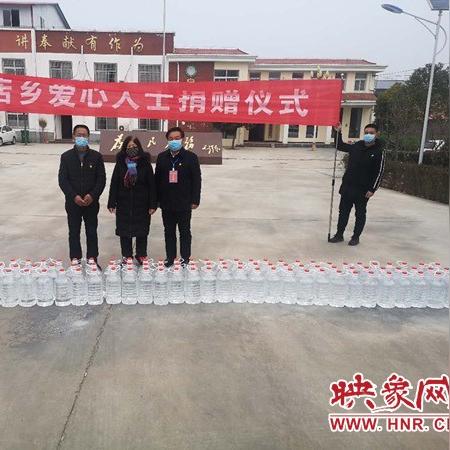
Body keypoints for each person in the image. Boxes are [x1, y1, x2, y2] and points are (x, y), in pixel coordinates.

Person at [329, 123, 385, 246]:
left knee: (360, 214)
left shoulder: (379, 151)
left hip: (363, 190)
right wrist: (338, 132)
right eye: (366, 133)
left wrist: (372, 189)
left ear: (377, 134)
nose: (368, 135)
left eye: (371, 133)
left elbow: (379, 172)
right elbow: (340, 145)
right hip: (348, 186)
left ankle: (355, 237)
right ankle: (339, 235)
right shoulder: (357, 146)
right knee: (343, 212)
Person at [58, 124, 106, 264]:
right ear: (73, 136)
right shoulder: (66, 157)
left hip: (91, 203)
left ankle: (92, 258)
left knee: (91, 231)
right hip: (73, 202)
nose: (81, 137)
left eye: (84, 135)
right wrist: (74, 196)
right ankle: (75, 259)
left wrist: (92, 195)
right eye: (78, 135)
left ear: (88, 137)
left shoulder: (96, 157)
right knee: (74, 232)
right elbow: (63, 180)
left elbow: (101, 179)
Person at [155, 126, 202, 267]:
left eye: (177, 138)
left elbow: (197, 180)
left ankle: (185, 258)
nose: (174, 141)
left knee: (184, 231)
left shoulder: (191, 158)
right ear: (167, 141)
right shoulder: (162, 157)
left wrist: (195, 200)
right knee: (169, 232)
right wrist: (156, 200)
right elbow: (157, 180)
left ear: (183, 139)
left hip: (184, 202)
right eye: (171, 139)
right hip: (166, 202)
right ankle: (170, 257)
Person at [107, 136, 157, 264]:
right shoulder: (120, 163)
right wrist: (111, 202)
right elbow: (114, 183)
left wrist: (153, 204)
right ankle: (127, 255)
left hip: (142, 203)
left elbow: (152, 184)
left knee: (142, 230)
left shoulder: (145, 163)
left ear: (139, 147)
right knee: (124, 231)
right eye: (129, 147)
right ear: (124, 148)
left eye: (134, 146)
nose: (132, 149)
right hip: (123, 202)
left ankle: (141, 254)